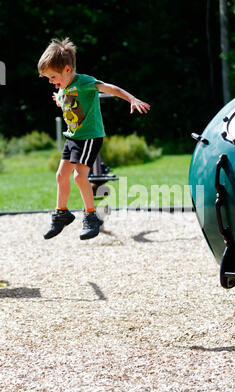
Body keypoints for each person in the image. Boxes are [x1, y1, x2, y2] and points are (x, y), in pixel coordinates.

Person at [37, 37, 150, 240]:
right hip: (72, 137)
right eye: (49, 79)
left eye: (53, 77)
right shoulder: (64, 87)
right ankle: (61, 214)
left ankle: (91, 217)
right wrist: (59, 99)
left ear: (67, 70)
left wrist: (131, 98)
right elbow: (69, 103)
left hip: (89, 137)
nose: (52, 82)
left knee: (79, 176)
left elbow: (111, 88)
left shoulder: (85, 82)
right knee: (60, 176)